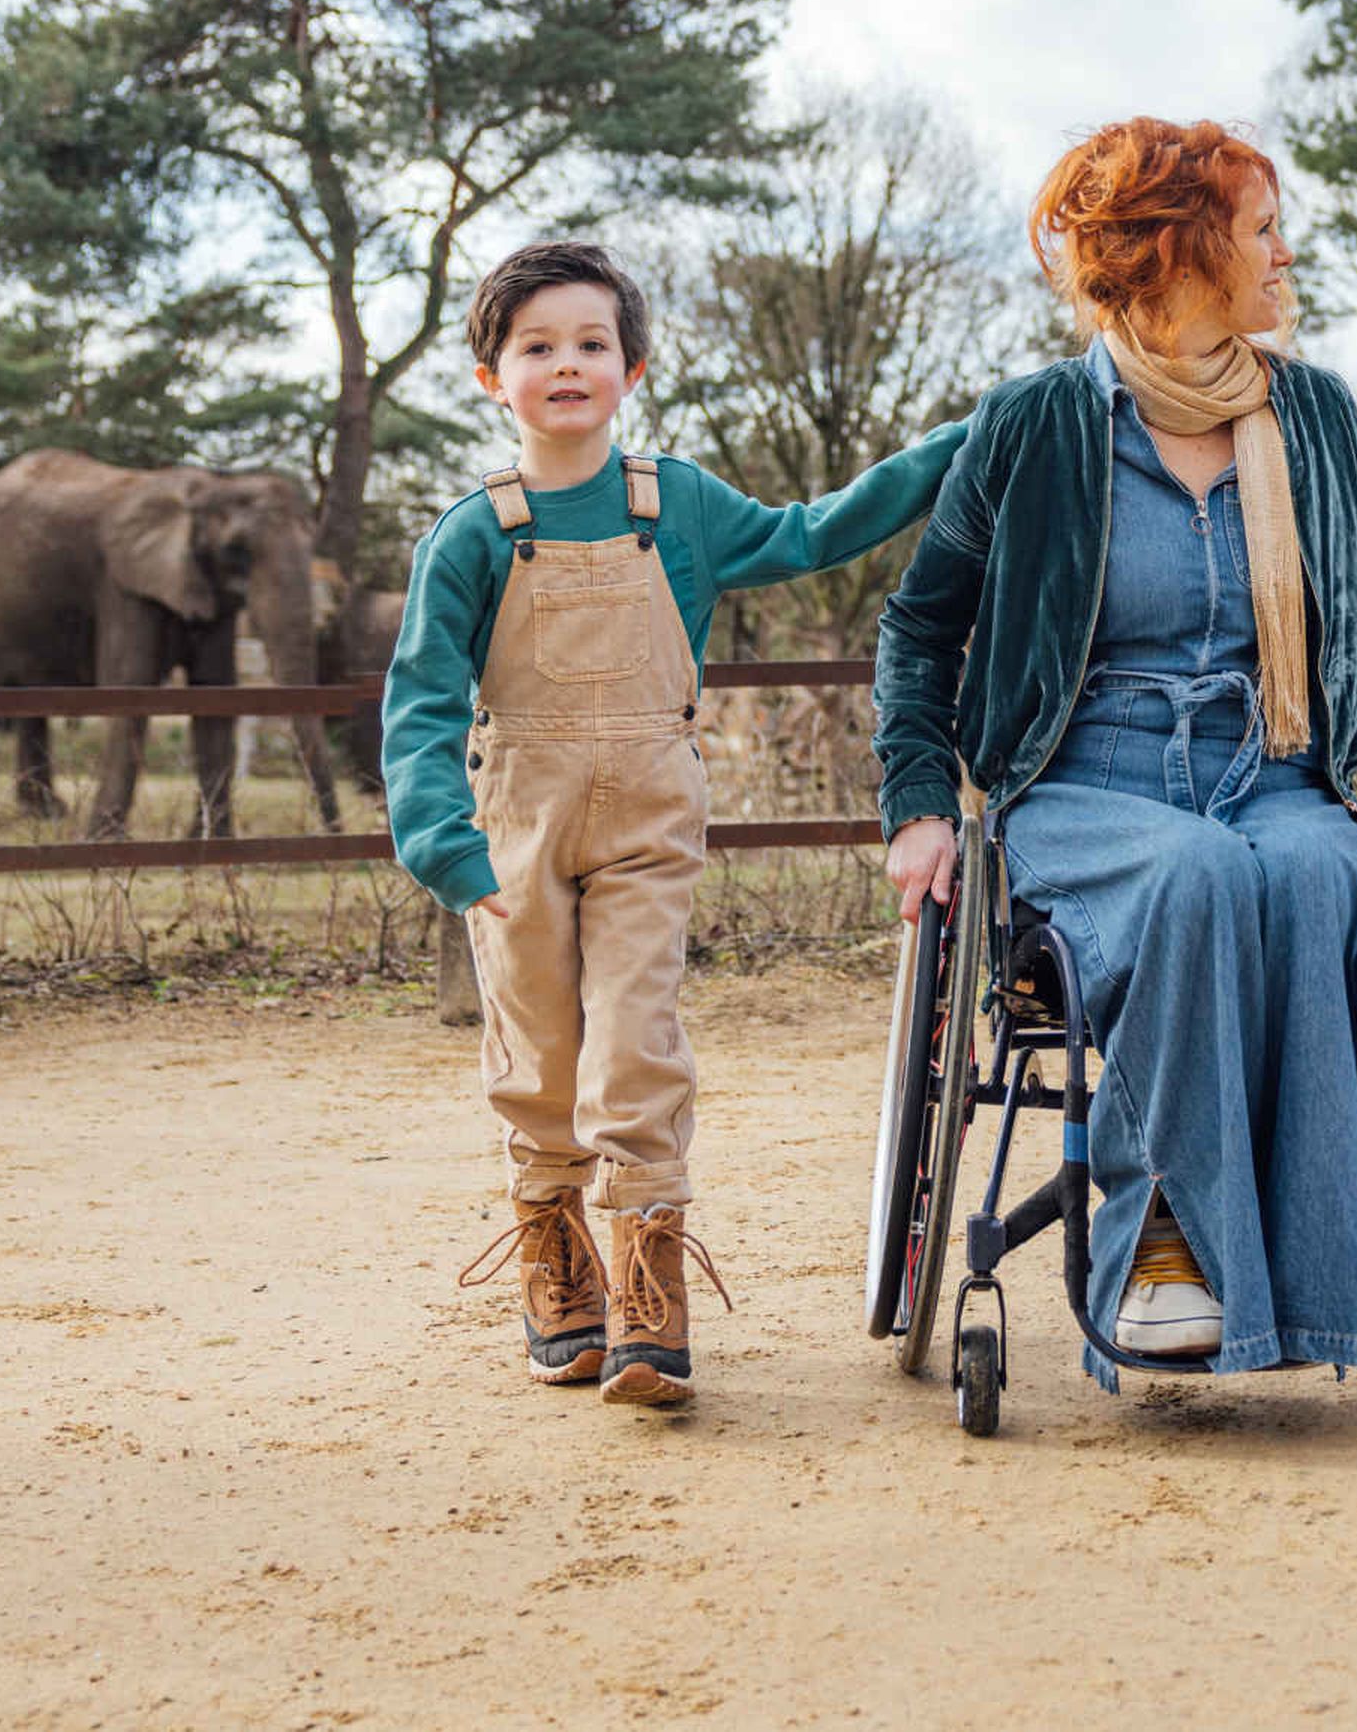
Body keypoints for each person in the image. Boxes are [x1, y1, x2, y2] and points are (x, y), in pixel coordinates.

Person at [876, 119, 1357, 1387]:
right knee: (1195, 875)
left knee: (1311, 879)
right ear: (1179, 251)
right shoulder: (1034, 428)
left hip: (1276, 763)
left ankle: (1312, 1297)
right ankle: (1162, 1248)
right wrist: (919, 799)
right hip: (1090, 779)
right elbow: (921, 628)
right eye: (1259, 230)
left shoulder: (1311, 416)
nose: (1282, 251)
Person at [383, 239, 965, 1409]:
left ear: (632, 368)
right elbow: (423, 698)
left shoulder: (678, 504)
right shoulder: (472, 532)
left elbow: (815, 533)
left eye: (591, 344)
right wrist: (443, 838)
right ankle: (556, 1255)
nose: (566, 364)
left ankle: (649, 1280)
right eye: (536, 346)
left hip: (652, 817)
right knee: (540, 1050)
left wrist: (963, 444)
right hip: (516, 834)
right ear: (491, 375)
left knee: (636, 1035)